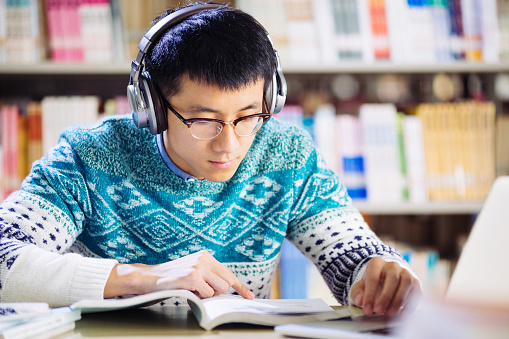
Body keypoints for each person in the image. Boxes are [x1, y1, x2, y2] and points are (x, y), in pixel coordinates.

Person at [0, 2, 421, 316]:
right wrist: (140, 277)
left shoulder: (286, 152)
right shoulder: (88, 156)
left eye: (247, 117)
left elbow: (349, 251)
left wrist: (376, 274)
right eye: (204, 120)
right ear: (152, 107)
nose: (230, 145)